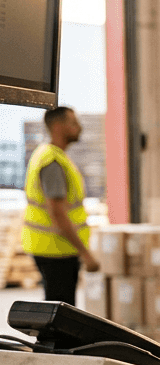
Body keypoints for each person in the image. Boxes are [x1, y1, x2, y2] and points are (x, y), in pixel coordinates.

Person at [22, 106, 99, 304]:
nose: (79, 127)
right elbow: (58, 213)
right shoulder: (52, 162)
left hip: (56, 248)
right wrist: (86, 253)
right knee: (59, 315)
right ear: (58, 127)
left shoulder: (54, 156)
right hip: (55, 250)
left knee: (58, 311)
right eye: (73, 123)